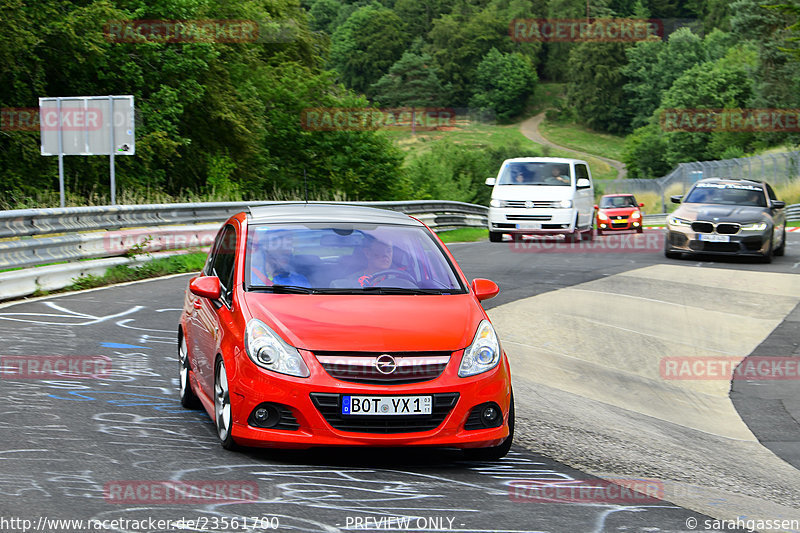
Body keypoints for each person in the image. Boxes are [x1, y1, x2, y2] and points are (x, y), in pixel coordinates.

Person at [331, 236, 407, 288]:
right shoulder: (350, 281)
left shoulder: (400, 279)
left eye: (389, 251)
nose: (386, 255)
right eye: (380, 250)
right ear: (367, 253)